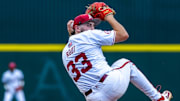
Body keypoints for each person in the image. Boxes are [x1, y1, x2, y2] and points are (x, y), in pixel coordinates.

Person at [62, 10, 172, 101]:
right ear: (77, 28)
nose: (92, 28)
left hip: (93, 97)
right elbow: (123, 35)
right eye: (89, 25)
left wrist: (72, 33)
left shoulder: (65, 52)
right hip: (109, 85)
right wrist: (108, 16)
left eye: (93, 26)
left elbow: (75, 43)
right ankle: (158, 98)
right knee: (126, 63)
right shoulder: (90, 35)